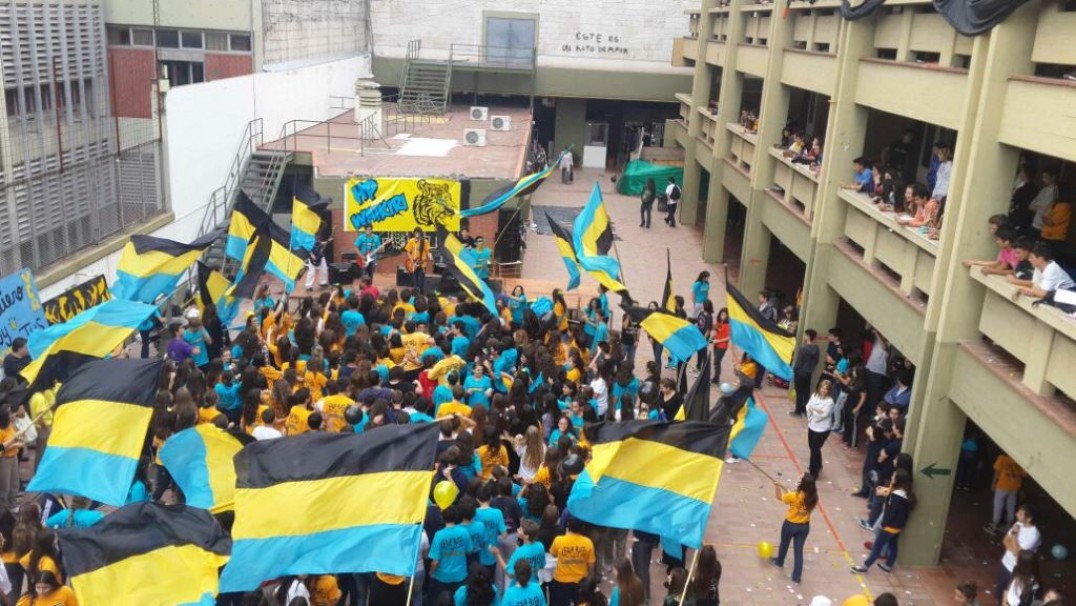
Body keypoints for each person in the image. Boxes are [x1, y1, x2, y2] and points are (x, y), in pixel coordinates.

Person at [851, 468, 915, 574]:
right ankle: (888, 565)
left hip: (889, 527)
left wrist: (883, 524)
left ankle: (865, 566)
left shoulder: (895, 497)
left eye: (894, 477)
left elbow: (890, 512)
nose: (892, 478)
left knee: (877, 547)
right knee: (893, 545)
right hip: (898, 527)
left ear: (898, 480)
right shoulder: (905, 495)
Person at [770, 474, 819, 584]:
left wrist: (777, 487)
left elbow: (780, 497)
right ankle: (796, 576)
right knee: (798, 551)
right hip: (804, 526)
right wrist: (790, 493)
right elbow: (800, 501)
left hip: (790, 525)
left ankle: (780, 561)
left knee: (784, 544)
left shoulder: (794, 496)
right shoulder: (814, 497)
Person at [995, 505, 1040, 604]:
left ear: (1028, 519)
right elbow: (1005, 540)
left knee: (1010, 593)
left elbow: (1019, 553)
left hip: (1016, 569)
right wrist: (1015, 549)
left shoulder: (1034, 534)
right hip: (1006, 563)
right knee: (1000, 590)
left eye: (1020, 514)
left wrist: (1014, 535)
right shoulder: (1018, 524)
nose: (1016, 515)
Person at [428, 505, 473, 602]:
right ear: (456, 517)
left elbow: (435, 561)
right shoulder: (464, 531)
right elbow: (469, 551)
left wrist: (431, 572)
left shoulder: (439, 535)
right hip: (460, 575)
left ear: (442, 518)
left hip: (442, 576)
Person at [549, 517, 596, 606]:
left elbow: (553, 554)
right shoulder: (588, 542)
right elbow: (591, 565)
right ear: (582, 528)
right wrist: (590, 579)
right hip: (581, 581)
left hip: (561, 580)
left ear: (568, 526)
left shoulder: (559, 540)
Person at [985, 454, 1025, 536]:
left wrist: (993, 483)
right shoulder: (1021, 458)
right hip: (1014, 487)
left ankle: (994, 526)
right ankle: (1008, 526)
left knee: (998, 506)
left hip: (1002, 486)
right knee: (1011, 507)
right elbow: (1023, 475)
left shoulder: (1002, 458)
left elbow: (997, 471)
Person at [805, 379, 835, 478]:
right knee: (812, 446)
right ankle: (818, 464)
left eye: (826, 389)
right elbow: (808, 406)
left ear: (829, 391)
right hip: (812, 425)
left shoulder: (829, 402)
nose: (823, 390)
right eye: (822, 387)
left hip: (823, 429)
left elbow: (823, 415)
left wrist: (814, 410)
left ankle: (813, 472)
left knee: (814, 448)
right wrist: (816, 411)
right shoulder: (814, 395)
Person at [791, 329, 820, 417]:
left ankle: (798, 411)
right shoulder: (816, 349)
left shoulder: (803, 349)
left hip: (800, 373)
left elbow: (799, 362)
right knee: (806, 391)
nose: (803, 337)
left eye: (805, 335)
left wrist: (795, 369)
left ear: (808, 336)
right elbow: (816, 361)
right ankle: (805, 409)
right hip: (809, 373)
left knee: (799, 392)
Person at [405, 228, 431, 293]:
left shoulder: (425, 241)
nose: (417, 234)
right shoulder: (411, 241)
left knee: (420, 282)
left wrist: (430, 256)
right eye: (415, 233)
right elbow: (408, 252)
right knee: (414, 282)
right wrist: (412, 261)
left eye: (418, 233)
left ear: (421, 233)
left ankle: (421, 296)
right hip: (413, 264)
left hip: (422, 264)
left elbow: (428, 252)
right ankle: (415, 296)